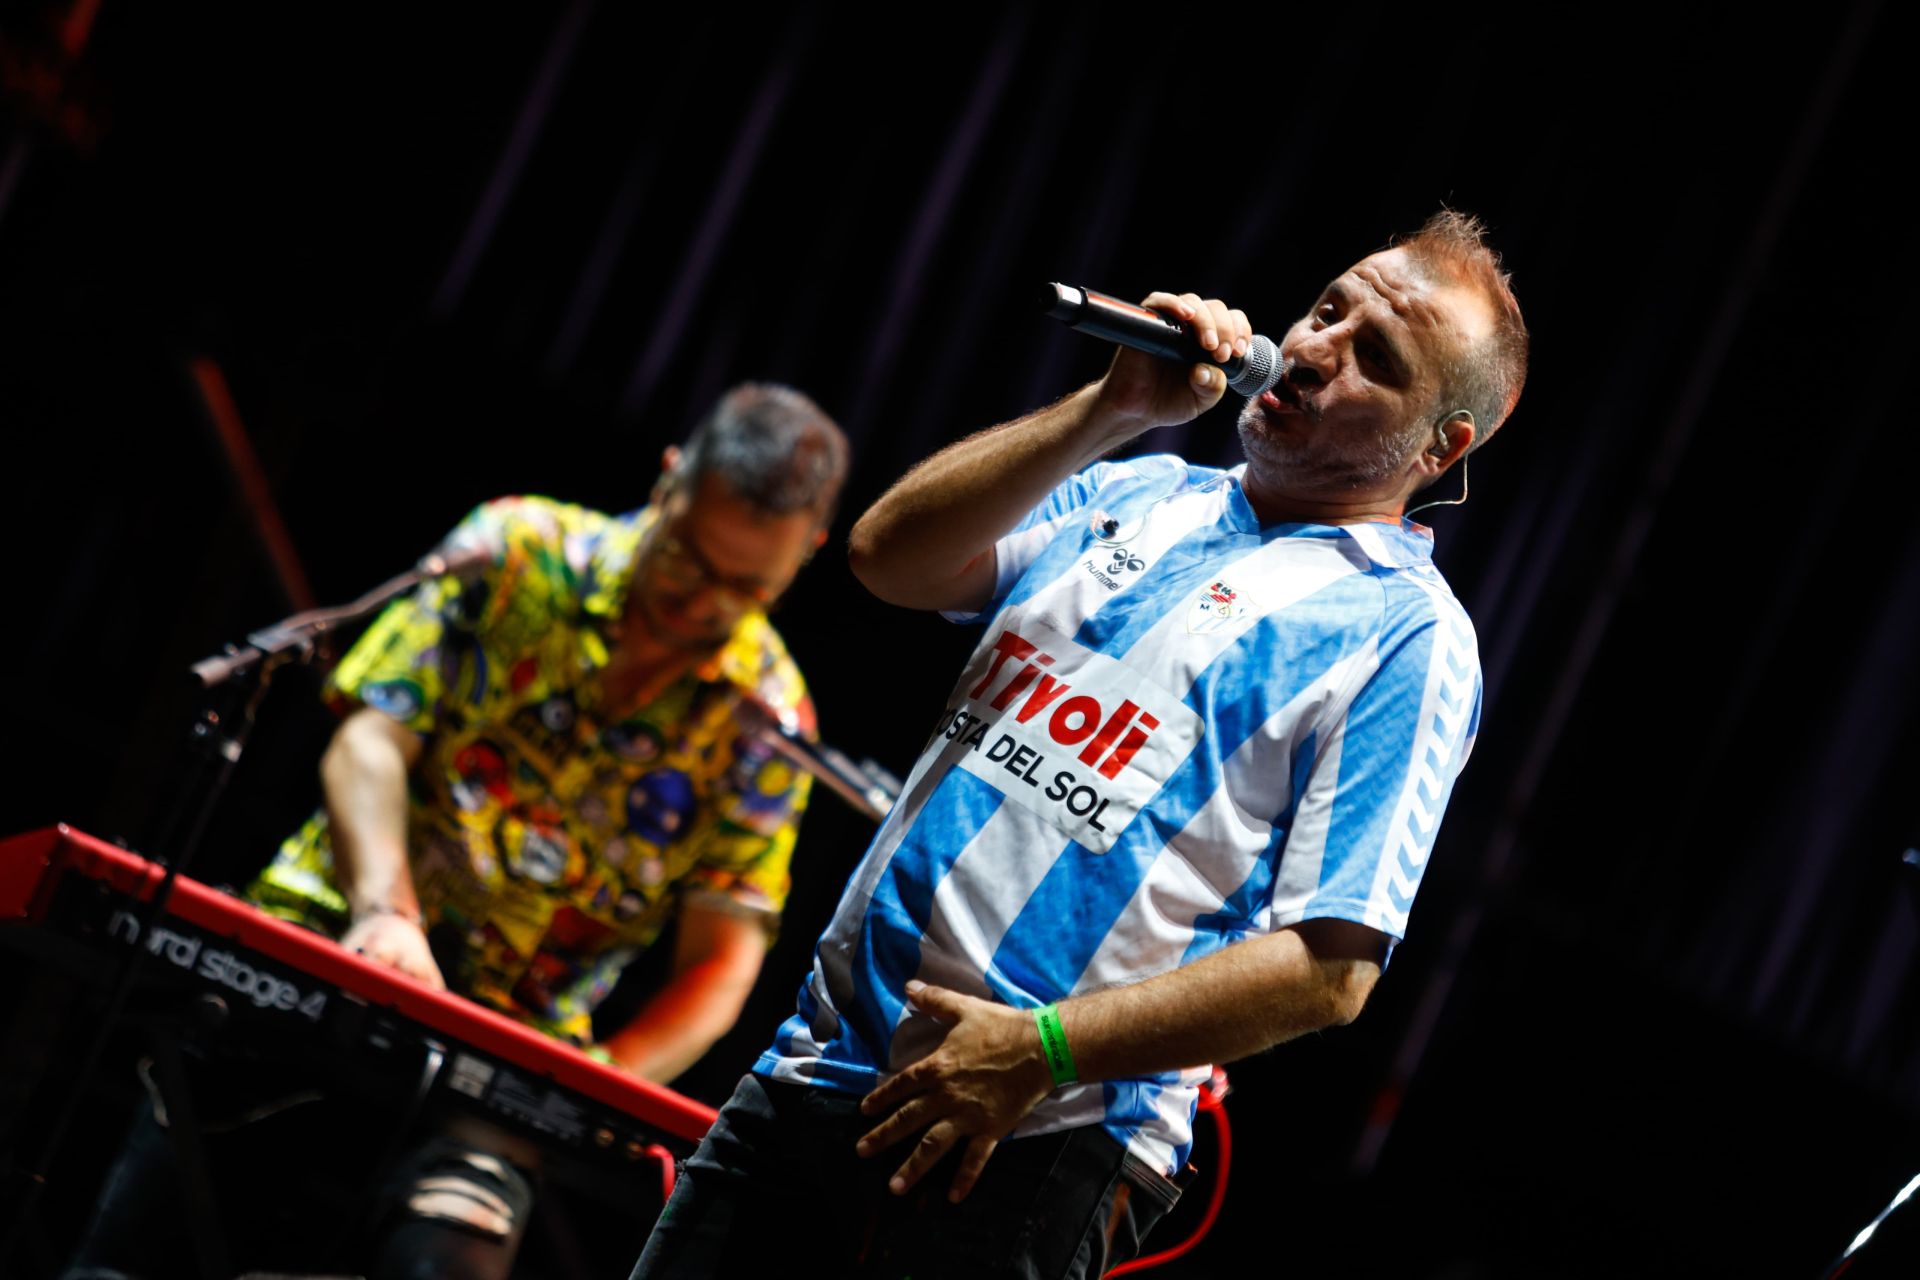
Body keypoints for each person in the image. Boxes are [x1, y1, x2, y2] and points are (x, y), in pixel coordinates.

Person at [630, 211, 1529, 1280]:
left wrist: (1039, 1049)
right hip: (816, 1065)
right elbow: (887, 558)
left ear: (1443, 444)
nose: (1318, 348)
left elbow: (1331, 968)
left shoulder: (1408, 636)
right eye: (1329, 308)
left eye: (1376, 359)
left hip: (1028, 1137)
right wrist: (1110, 412)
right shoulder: (1140, 487)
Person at [67, 382, 849, 1280]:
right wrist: (385, 912)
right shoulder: (517, 552)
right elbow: (370, 736)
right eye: (688, 558)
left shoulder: (770, 716)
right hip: (326, 947)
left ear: (807, 555)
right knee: (133, 1257)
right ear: (670, 481)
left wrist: (592, 1083)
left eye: (747, 587)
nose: (703, 602)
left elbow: (724, 957)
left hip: (511, 1059)